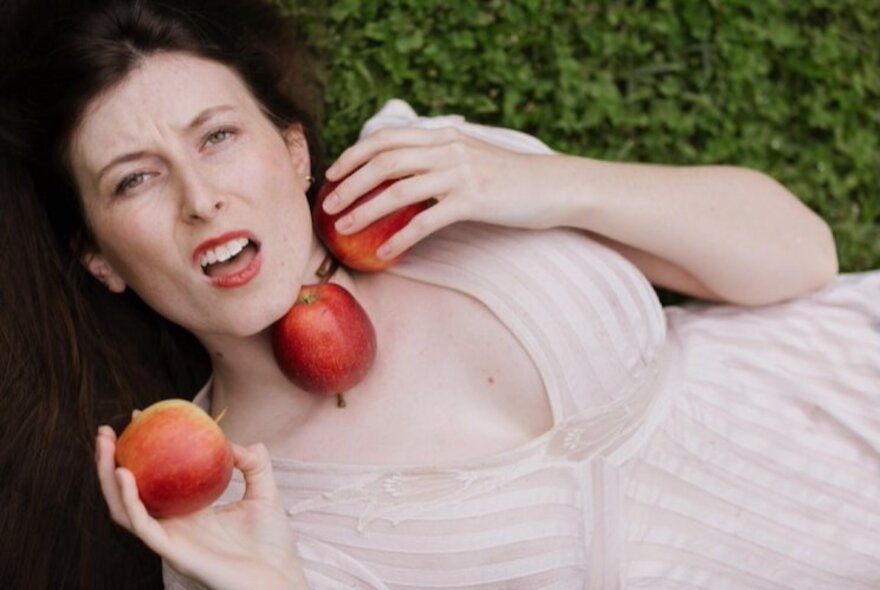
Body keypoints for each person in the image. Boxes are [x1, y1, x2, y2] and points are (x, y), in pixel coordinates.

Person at [2, 0, 878, 588]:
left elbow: (800, 257)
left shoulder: (426, 181)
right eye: (134, 181)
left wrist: (548, 183)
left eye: (219, 136)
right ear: (100, 260)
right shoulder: (224, 524)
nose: (201, 197)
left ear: (295, 152)